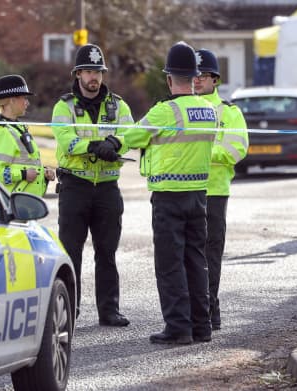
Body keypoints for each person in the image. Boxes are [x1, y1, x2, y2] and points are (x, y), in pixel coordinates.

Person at [124, 41, 217, 344]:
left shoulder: (165, 112)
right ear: (194, 77)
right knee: (196, 260)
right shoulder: (208, 110)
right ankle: (201, 327)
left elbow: (132, 135)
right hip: (199, 194)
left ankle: (178, 328)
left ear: (168, 78)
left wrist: (110, 144)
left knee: (170, 264)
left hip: (168, 196)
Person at [51, 43, 133, 327]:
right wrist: (97, 146)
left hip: (108, 188)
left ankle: (109, 310)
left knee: (107, 252)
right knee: (71, 253)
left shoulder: (118, 105)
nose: (93, 77)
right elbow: (67, 142)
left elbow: (131, 133)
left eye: (97, 71)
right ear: (77, 74)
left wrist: (115, 142)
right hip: (75, 187)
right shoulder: (64, 107)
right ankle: (69, 311)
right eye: (87, 71)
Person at [194, 49, 249, 331]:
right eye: (194, 75)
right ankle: (196, 312)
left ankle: (210, 310)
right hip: (185, 188)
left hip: (214, 191)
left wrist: (202, 152)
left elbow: (237, 148)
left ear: (215, 79)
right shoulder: (180, 108)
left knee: (210, 255)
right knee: (188, 256)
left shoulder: (229, 112)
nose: (197, 80)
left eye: (203, 76)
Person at [0, 74, 55, 197]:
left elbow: (26, 163)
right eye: (24, 98)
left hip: (25, 203)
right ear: (12, 100)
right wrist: (23, 174)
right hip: (11, 205)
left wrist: (44, 173)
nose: (27, 103)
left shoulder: (18, 128)